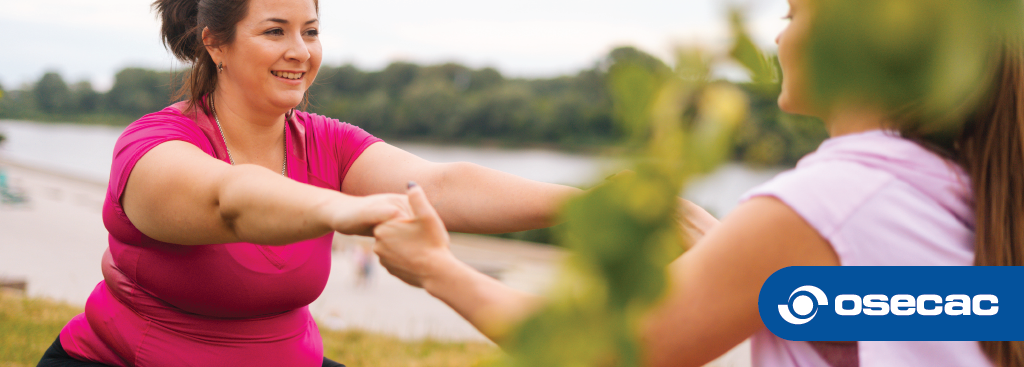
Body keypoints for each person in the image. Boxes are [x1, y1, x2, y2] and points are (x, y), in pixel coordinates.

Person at [370, 0, 1024, 366]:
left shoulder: (833, 201)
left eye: (794, 14)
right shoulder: (959, 185)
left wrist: (436, 267)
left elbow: (599, 350)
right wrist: (734, 251)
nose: (777, 31)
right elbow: (900, 312)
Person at [39, 0, 582, 366]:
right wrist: (345, 211)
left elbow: (441, 186)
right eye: (275, 31)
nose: (301, 50)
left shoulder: (327, 142)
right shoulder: (154, 145)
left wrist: (599, 205)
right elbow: (229, 200)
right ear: (216, 45)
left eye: (312, 31)